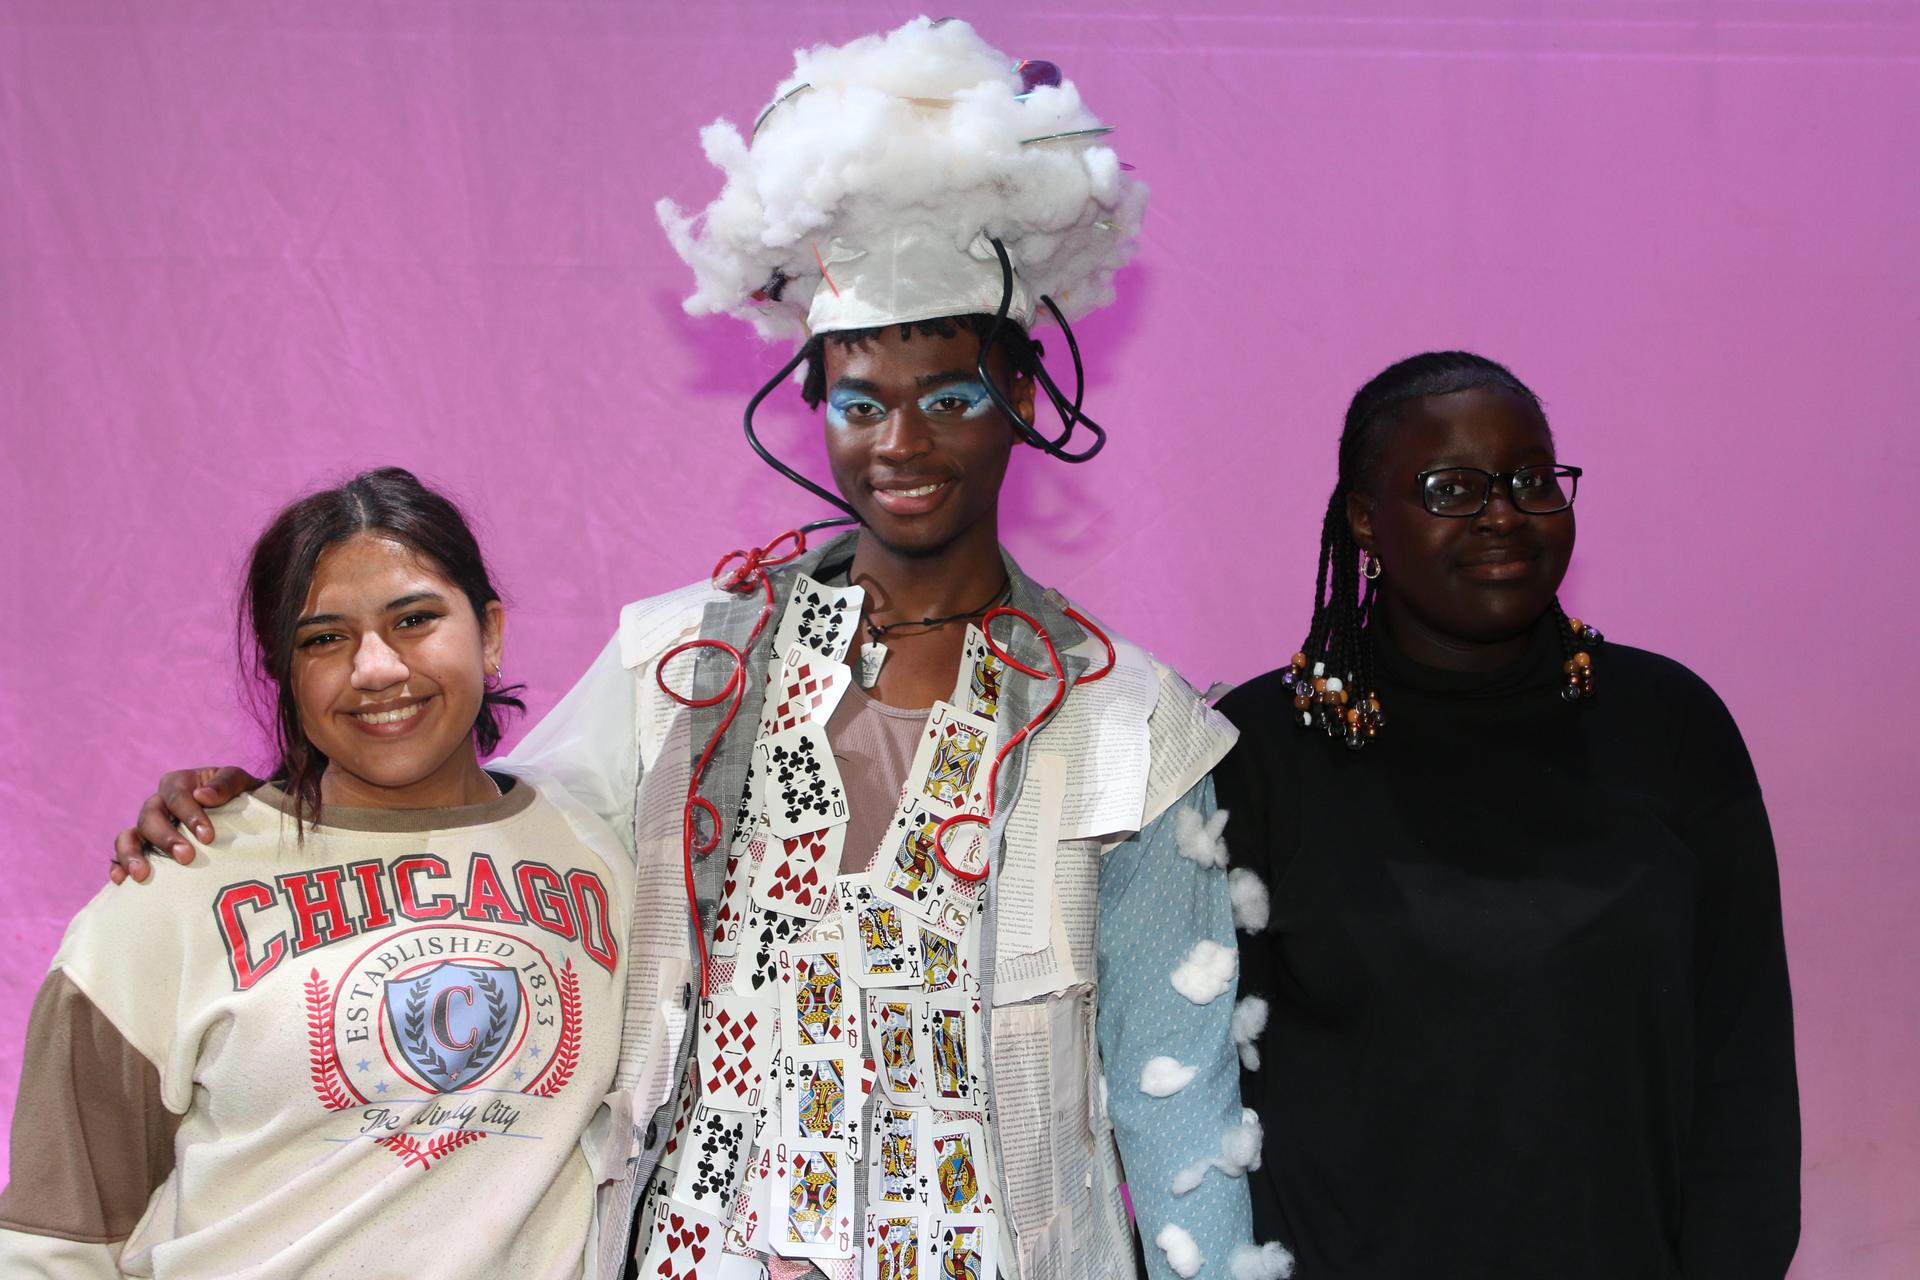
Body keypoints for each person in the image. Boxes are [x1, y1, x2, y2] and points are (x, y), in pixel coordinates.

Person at [112, 20, 1272, 1280]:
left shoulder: (1127, 721)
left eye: (952, 395)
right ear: (812, 411)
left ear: (1026, 402)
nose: (903, 442)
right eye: (858, 400)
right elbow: (483, 845)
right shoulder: (680, 665)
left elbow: (1180, 1105)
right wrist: (260, 809)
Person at [1213, 350, 1801, 1278]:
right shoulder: (1256, 750)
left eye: (1532, 480)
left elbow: (1745, 1066)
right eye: (1452, 487)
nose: (1502, 513)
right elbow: (1211, 1099)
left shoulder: (1670, 724)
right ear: (1366, 520)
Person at [4, 468, 634, 1277]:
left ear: (491, 631)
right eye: (323, 639)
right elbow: (58, 1242)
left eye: (414, 619)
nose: (375, 668)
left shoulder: (603, 857)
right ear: (283, 671)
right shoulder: (176, 887)